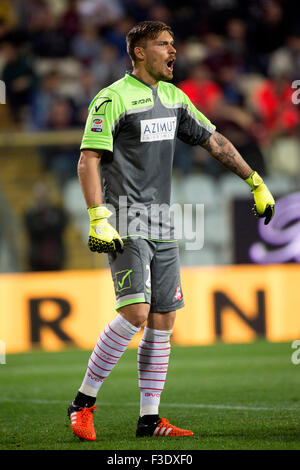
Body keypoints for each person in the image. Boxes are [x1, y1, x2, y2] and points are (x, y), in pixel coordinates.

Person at [67, 20, 275, 441]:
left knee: (163, 319)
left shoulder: (176, 99)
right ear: (139, 52)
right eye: (163, 44)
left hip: (163, 221)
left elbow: (214, 140)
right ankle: (83, 403)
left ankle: (149, 419)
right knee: (136, 313)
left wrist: (254, 180)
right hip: (125, 217)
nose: (173, 51)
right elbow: (88, 160)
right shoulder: (112, 99)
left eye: (174, 43)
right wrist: (97, 216)